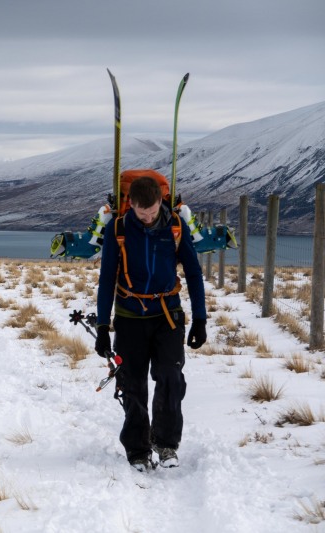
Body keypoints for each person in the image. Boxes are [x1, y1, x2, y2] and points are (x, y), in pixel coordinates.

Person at [94, 175, 207, 471]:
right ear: (130, 204)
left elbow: (194, 274)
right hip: (130, 317)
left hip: (167, 315)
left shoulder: (175, 227)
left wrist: (200, 319)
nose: (147, 218)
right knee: (131, 383)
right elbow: (106, 280)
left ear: (161, 202)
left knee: (171, 377)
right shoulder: (117, 229)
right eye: (141, 213)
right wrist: (103, 326)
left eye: (152, 211)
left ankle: (166, 444)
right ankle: (137, 450)